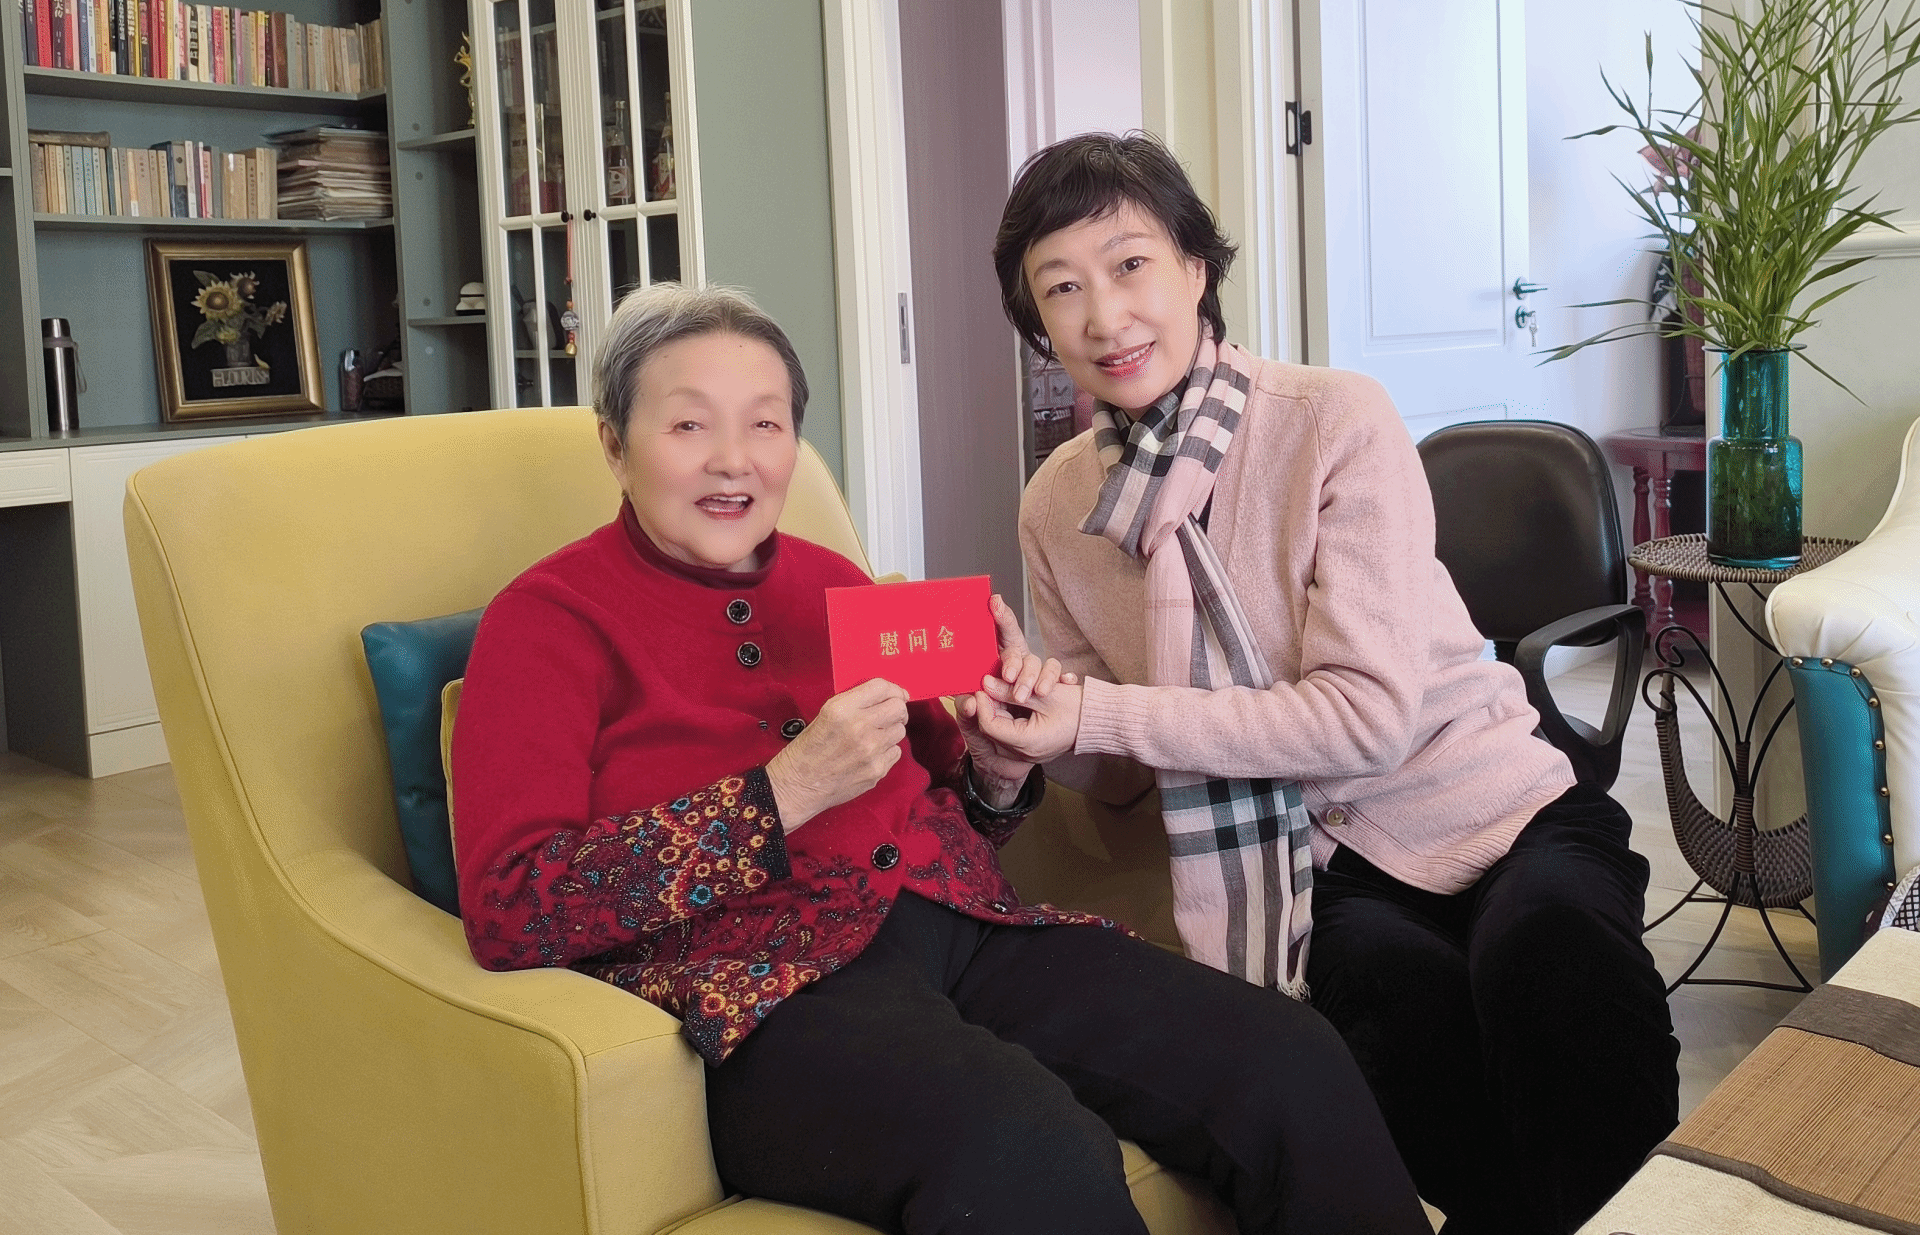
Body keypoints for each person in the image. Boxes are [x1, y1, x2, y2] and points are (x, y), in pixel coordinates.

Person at [452, 281, 1429, 1235]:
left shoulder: (839, 584)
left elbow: (965, 809)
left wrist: (998, 764)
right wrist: (780, 795)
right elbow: (510, 906)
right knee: (1024, 1149)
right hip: (769, 992)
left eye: (765, 423)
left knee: (1286, 1058)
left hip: (971, 930)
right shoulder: (545, 622)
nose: (732, 459)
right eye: (687, 425)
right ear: (614, 444)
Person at [967, 134, 1681, 1235]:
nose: (1103, 316)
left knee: (1552, 952)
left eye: (1129, 264)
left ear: (1195, 267)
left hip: (1499, 804)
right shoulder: (1058, 504)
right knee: (1390, 1009)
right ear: (1039, 324)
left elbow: (1365, 719)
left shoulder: (1331, 418)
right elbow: (1119, 779)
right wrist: (1030, 736)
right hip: (1315, 862)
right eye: (1061, 289)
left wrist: (1097, 710)